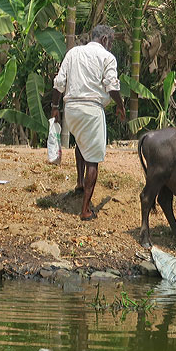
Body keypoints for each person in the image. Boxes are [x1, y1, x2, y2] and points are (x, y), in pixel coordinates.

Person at [51, 24, 126, 221]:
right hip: (92, 110)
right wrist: (120, 105)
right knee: (93, 160)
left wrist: (54, 107)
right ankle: (85, 210)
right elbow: (112, 86)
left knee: (80, 144)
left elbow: (59, 82)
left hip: (72, 110)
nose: (110, 46)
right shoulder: (107, 57)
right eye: (110, 42)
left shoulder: (73, 52)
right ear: (104, 40)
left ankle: (79, 183)